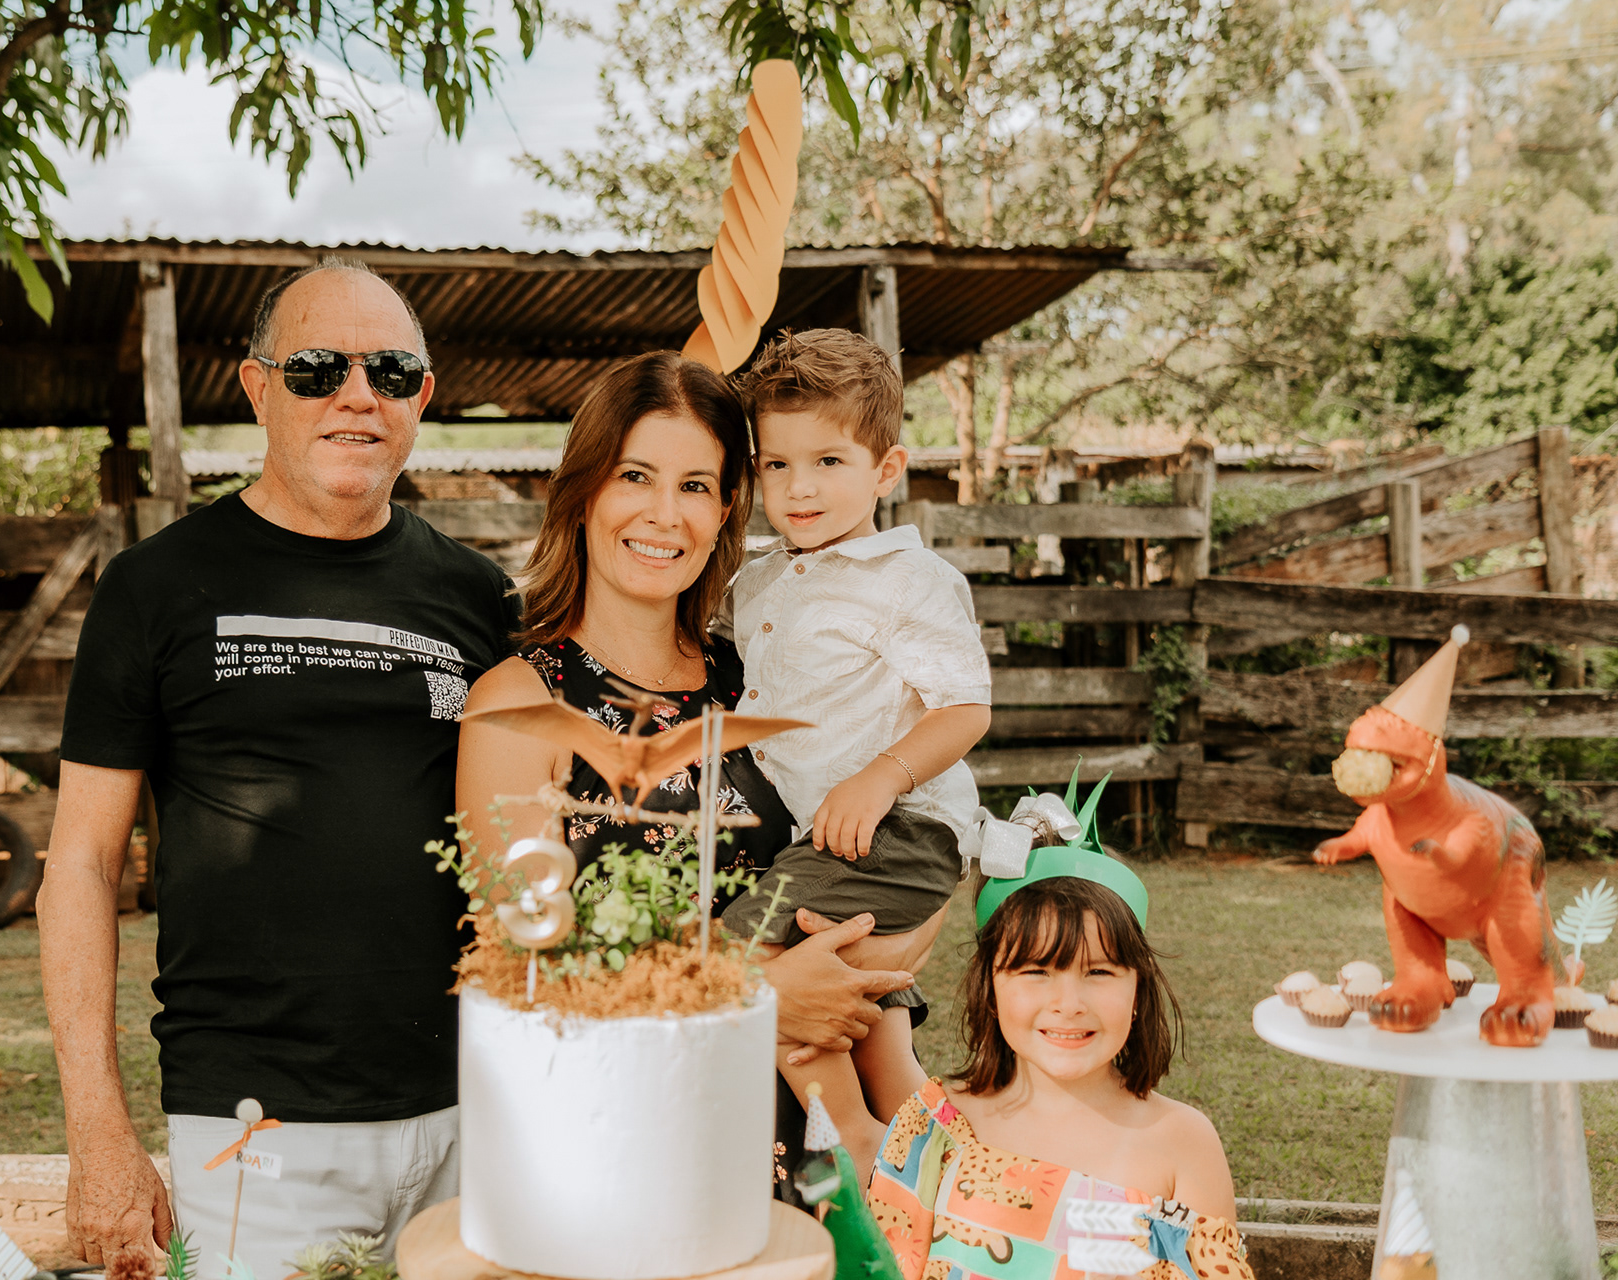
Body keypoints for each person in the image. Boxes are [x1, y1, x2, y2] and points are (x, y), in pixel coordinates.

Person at [38, 258, 515, 1278]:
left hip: (473, 1112)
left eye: (392, 371)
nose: (358, 395)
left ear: (423, 396)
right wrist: (98, 1130)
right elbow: (80, 863)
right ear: (258, 388)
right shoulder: (153, 587)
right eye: (317, 369)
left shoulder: (482, 599)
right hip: (255, 1127)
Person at [456, 350, 934, 1154]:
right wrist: (752, 990)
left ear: (725, 511)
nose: (664, 514)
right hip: (632, 1140)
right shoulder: (520, 704)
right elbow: (518, 972)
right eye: (634, 476)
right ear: (583, 491)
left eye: (695, 486)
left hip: (820, 1141)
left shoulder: (766, 681)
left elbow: (896, 853)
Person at [715, 329, 993, 1177]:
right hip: (830, 840)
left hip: (900, 825)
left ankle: (855, 1141)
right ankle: (955, 1172)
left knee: (745, 950)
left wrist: (882, 777)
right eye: (778, 464)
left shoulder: (909, 580)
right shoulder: (759, 579)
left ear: (886, 468)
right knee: (876, 1030)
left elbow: (965, 708)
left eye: (829, 462)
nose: (800, 487)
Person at [865, 851, 1254, 1279]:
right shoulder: (939, 1125)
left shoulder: (1183, 1142)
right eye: (1036, 971)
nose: (1069, 1005)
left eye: (1099, 972)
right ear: (990, 987)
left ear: (1138, 990)